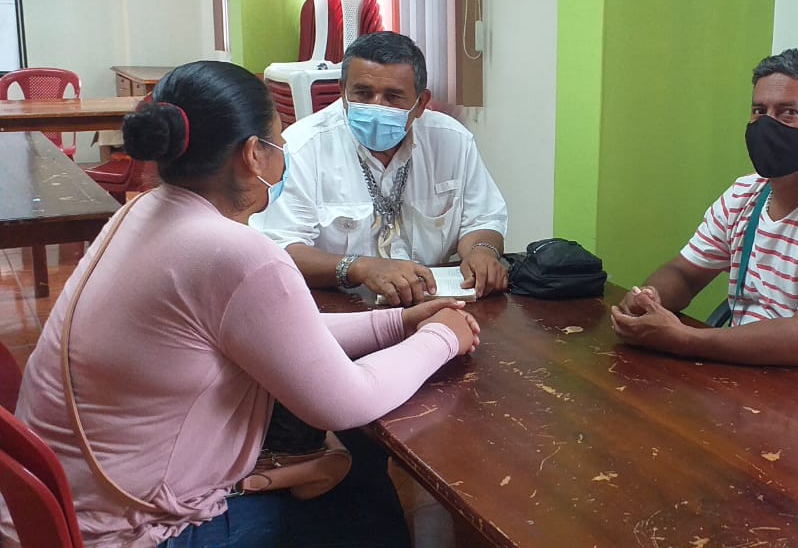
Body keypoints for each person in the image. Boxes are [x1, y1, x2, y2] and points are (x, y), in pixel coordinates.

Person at [4, 61, 479, 547]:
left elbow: (282, 335)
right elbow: (349, 401)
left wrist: (397, 323)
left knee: (349, 464)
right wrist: (444, 337)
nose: (285, 151)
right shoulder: (234, 253)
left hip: (53, 514)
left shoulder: (142, 211)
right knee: (361, 495)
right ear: (253, 154)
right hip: (123, 535)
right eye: (278, 141)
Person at [610, 49, 798, 395]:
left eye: (788, 113)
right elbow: (684, 272)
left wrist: (684, 339)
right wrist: (650, 300)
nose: (767, 125)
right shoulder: (746, 193)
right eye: (759, 111)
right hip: (748, 377)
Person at [251, 31, 509, 306]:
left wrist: (482, 252)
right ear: (342, 91)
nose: (376, 106)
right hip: (337, 307)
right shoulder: (302, 147)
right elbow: (279, 248)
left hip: (434, 302)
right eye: (363, 93)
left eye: (392, 97)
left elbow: (483, 219)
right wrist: (359, 268)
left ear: (421, 103)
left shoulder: (452, 140)